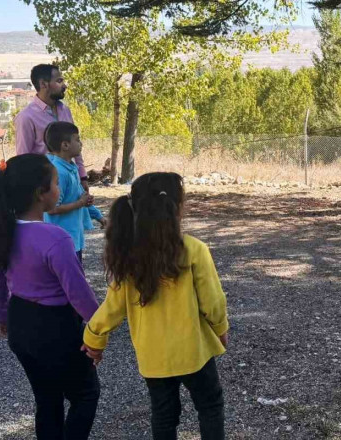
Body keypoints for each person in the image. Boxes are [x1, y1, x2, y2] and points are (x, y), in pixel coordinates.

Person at [82, 172, 230, 440]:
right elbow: (213, 301)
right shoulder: (194, 250)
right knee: (210, 405)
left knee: (163, 415)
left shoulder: (128, 254)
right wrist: (220, 328)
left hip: (153, 357)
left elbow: (113, 307)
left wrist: (94, 337)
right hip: (194, 351)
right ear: (177, 207)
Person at [0, 154, 100, 440]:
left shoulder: (2, 231)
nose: (59, 190)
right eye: (56, 184)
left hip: (21, 323)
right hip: (56, 328)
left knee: (46, 398)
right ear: (40, 194)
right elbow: (78, 293)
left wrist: (3, 317)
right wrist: (99, 331)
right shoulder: (55, 238)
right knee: (85, 394)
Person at [14, 64, 89, 192]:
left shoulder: (65, 110)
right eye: (59, 81)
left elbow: (74, 143)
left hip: (72, 181)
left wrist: (82, 176)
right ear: (43, 84)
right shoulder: (26, 117)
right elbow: (23, 159)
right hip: (46, 187)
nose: (64, 85)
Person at [43, 121, 105, 265]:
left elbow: (80, 197)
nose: (81, 143)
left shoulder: (72, 168)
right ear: (65, 145)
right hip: (61, 241)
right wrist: (79, 203)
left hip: (74, 238)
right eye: (77, 140)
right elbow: (51, 209)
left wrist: (99, 216)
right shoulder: (59, 172)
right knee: (69, 281)